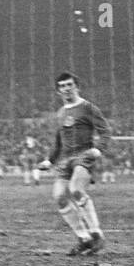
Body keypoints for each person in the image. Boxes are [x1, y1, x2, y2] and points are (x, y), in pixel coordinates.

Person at [40, 72, 110, 255]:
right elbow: (59, 140)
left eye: (69, 85)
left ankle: (96, 234)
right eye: (62, 86)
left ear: (77, 86)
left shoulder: (88, 108)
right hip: (65, 159)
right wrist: (50, 160)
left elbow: (105, 131)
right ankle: (83, 238)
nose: (66, 89)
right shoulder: (61, 113)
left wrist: (99, 148)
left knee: (76, 189)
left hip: (83, 155)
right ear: (58, 91)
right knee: (59, 197)